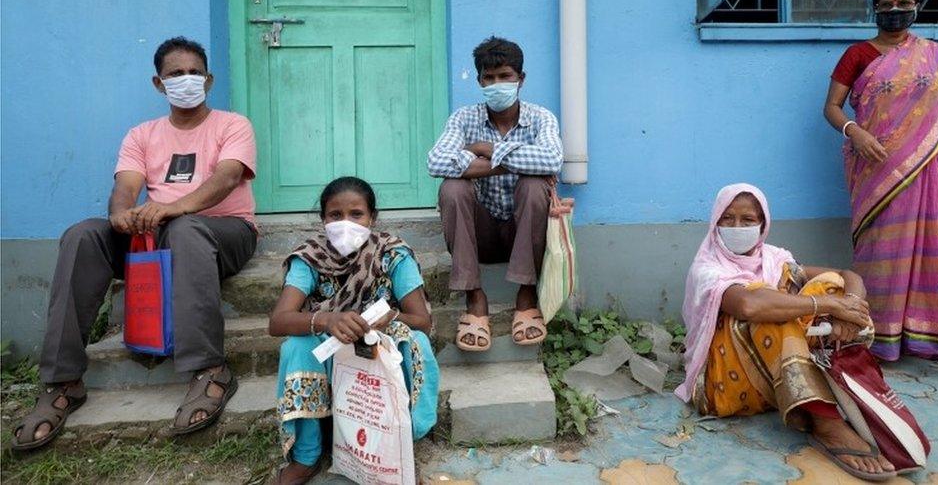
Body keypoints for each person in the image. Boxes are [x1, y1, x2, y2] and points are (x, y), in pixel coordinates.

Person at [11, 37, 258, 451]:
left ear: (209, 80)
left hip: (225, 231)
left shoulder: (232, 125)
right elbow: (125, 186)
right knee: (82, 235)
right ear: (159, 84)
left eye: (195, 72)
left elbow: (227, 178)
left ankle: (210, 369)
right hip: (158, 234)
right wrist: (123, 213)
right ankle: (63, 379)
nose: (187, 80)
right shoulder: (142, 135)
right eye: (175, 74)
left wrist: (169, 208)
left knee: (185, 228)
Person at [676, 184, 897, 481]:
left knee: (829, 283)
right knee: (771, 308)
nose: (737, 226)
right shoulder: (708, 267)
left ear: (763, 224)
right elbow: (749, 306)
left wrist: (850, 307)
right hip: (721, 387)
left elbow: (847, 276)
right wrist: (828, 304)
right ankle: (827, 425)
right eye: (727, 219)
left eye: (747, 219)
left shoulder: (775, 258)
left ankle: (840, 389)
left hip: (774, 380)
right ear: (715, 222)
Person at [823, 0, 938, 363]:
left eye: (903, 3)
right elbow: (832, 107)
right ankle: (877, 334)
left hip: (924, 167)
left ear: (916, 7)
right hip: (873, 169)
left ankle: (920, 336)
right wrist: (853, 132)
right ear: (875, 9)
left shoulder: (937, 57)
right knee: (879, 250)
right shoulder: (858, 55)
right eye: (887, 4)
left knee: (927, 248)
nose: (895, 11)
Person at [268, 177, 438, 485]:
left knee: (416, 342)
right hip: (331, 348)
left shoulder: (392, 254)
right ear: (323, 219)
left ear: (372, 217)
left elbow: (422, 320)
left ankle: (400, 445)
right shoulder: (310, 257)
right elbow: (278, 321)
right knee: (296, 346)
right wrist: (327, 320)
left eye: (356, 214)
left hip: (378, 348)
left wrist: (390, 317)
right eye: (335, 215)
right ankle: (307, 456)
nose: (345, 223)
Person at [427, 36, 563, 352]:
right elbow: (436, 161)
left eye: (505, 76)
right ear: (479, 80)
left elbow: (552, 160)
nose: (497, 84)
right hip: (482, 232)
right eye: (489, 78)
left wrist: (484, 152)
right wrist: (514, 161)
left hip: (525, 232)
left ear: (521, 79)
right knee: (452, 187)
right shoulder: (464, 117)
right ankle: (474, 297)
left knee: (533, 185)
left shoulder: (540, 118)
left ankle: (527, 293)